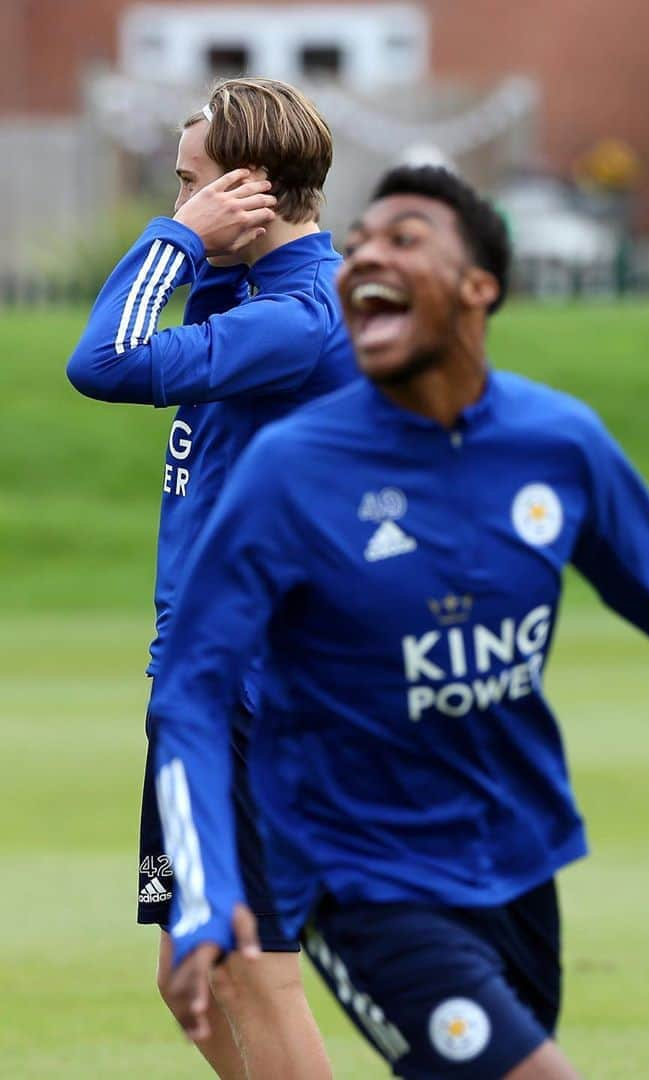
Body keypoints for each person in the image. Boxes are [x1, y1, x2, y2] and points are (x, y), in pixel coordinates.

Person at [149, 165, 649, 1080]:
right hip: (357, 872)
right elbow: (188, 695)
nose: (367, 254)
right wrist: (207, 894)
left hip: (514, 861)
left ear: (477, 289)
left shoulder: (554, 444)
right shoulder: (289, 471)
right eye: (361, 240)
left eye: (404, 239)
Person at [66, 77, 357, 1079]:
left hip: (258, 690)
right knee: (190, 985)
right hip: (202, 680)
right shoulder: (259, 297)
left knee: (246, 972)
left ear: (249, 190)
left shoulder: (299, 320)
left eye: (193, 185)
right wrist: (207, 246)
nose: (178, 201)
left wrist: (175, 238)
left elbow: (103, 360)